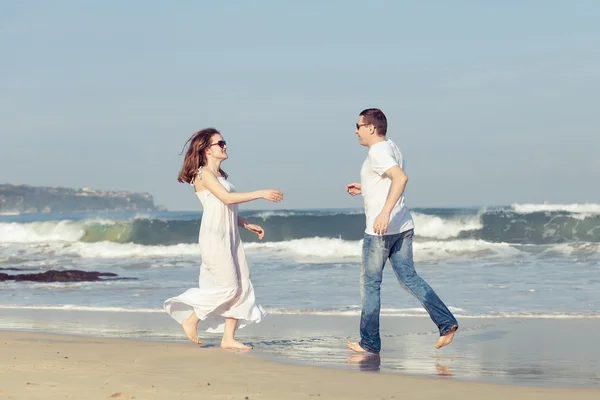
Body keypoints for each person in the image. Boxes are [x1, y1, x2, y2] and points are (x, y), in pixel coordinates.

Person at [345, 108, 458, 353]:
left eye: (359, 126)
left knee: (370, 285)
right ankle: (446, 322)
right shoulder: (391, 147)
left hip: (380, 231)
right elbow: (388, 181)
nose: (356, 131)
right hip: (402, 226)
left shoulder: (377, 152)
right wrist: (365, 187)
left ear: (371, 128)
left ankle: (370, 343)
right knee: (409, 279)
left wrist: (384, 212)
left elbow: (400, 178)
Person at [164, 128, 283, 350]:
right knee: (228, 288)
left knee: (241, 286)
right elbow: (227, 198)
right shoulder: (204, 174)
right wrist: (260, 193)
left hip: (230, 236)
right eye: (220, 143)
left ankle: (228, 339)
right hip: (214, 237)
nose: (225, 146)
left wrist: (245, 223)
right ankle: (191, 320)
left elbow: (224, 207)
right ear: (206, 149)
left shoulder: (219, 176)